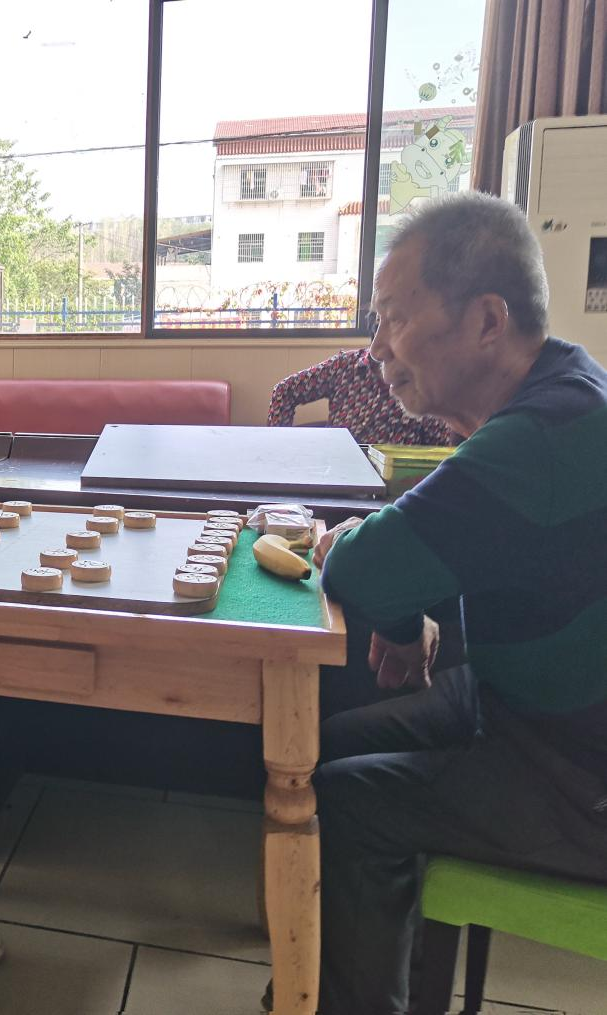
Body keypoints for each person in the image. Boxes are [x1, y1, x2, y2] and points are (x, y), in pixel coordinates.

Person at [302, 192, 607, 1014]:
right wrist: (404, 620)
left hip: (579, 773)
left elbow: (364, 565)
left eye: (393, 320)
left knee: (351, 800)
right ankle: (347, 975)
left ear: (485, 321)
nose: (375, 349)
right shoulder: (564, 389)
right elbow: (423, 555)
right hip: (522, 708)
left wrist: (382, 584)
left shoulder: (541, 437)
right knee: (323, 746)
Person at [267, 346, 459, 446]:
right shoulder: (345, 366)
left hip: (396, 488)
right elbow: (285, 391)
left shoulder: (426, 380)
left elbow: (436, 453)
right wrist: (278, 446)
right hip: (338, 477)